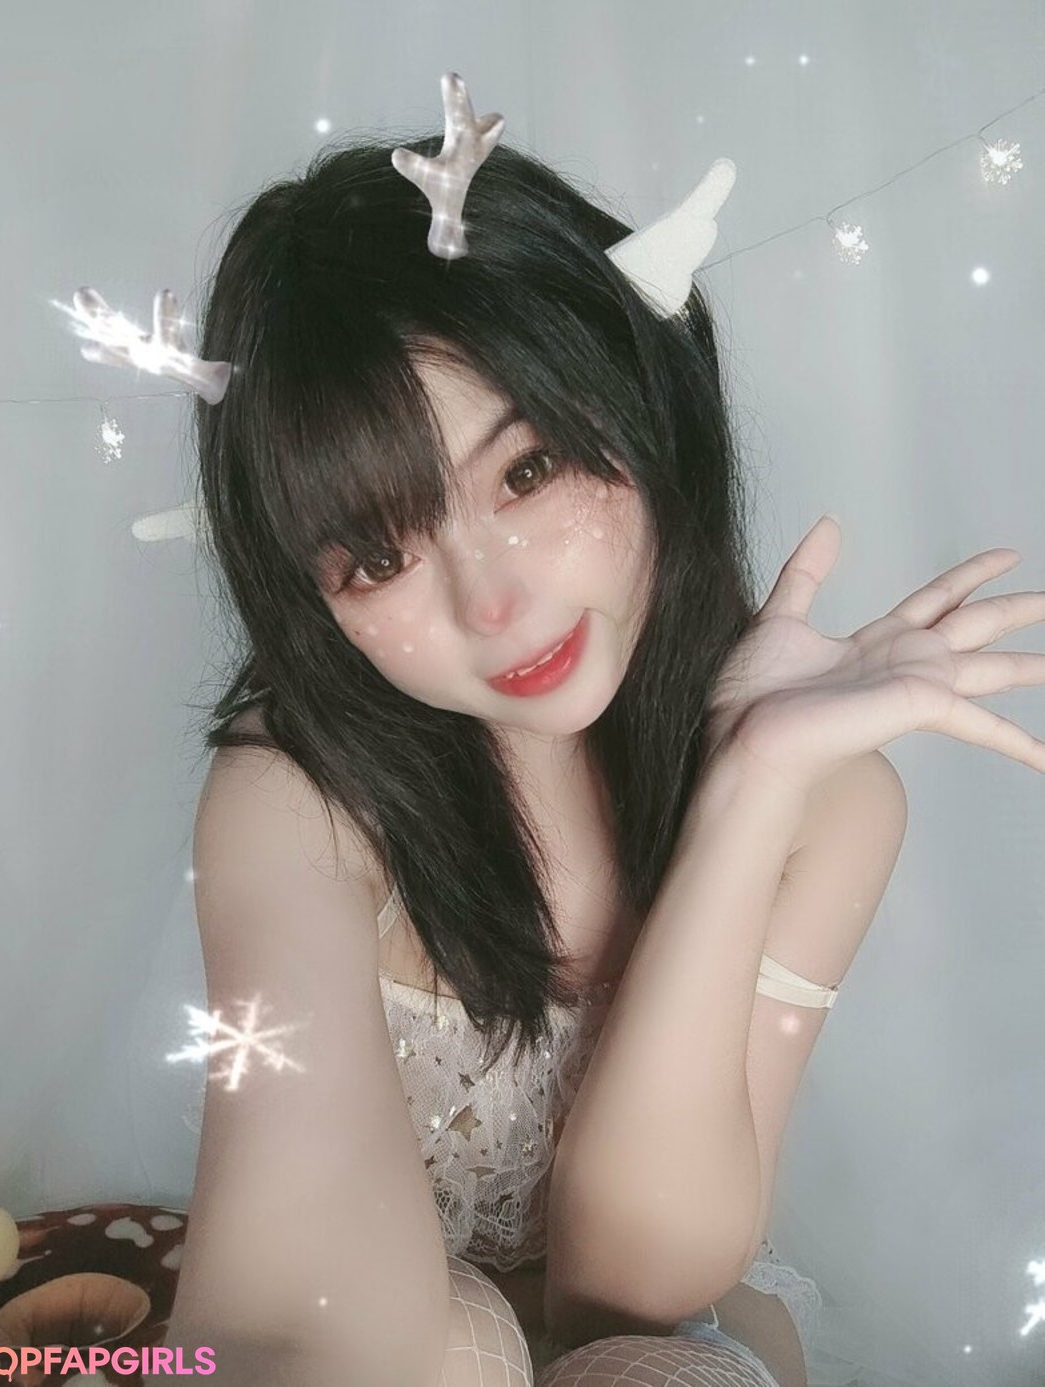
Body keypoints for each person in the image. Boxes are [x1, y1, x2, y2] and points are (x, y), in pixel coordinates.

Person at [152, 119, 1045, 1387]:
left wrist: (747, 793)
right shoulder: (297, 802)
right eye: (381, 554)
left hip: (680, 1325)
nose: (492, 605)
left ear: (639, 401)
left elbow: (629, 1285)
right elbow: (302, 1315)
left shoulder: (832, 798)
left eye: (527, 471)